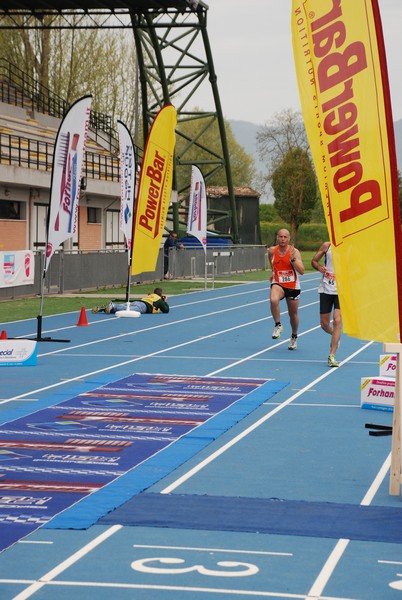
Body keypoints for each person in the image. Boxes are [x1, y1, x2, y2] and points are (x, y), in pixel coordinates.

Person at [268, 228, 305, 350]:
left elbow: (302, 271)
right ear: (277, 238)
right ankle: (278, 325)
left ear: (288, 239)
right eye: (280, 236)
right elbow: (272, 262)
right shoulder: (272, 251)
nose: (282, 239)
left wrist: (293, 259)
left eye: (285, 237)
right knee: (273, 299)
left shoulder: (294, 252)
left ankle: (294, 336)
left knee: (293, 314)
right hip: (278, 282)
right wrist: (273, 272)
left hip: (293, 285)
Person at [311, 241, 341, 367]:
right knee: (324, 324)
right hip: (326, 288)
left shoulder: (350, 246)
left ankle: (332, 355)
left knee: (337, 321)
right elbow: (314, 261)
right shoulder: (327, 246)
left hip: (342, 290)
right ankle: (335, 335)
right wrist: (319, 267)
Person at [92, 288, 169, 315]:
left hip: (139, 302)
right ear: (160, 294)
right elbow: (166, 310)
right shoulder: (159, 300)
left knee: (126, 307)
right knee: (127, 310)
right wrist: (165, 301)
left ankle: (108, 308)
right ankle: (113, 306)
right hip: (143, 307)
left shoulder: (151, 295)